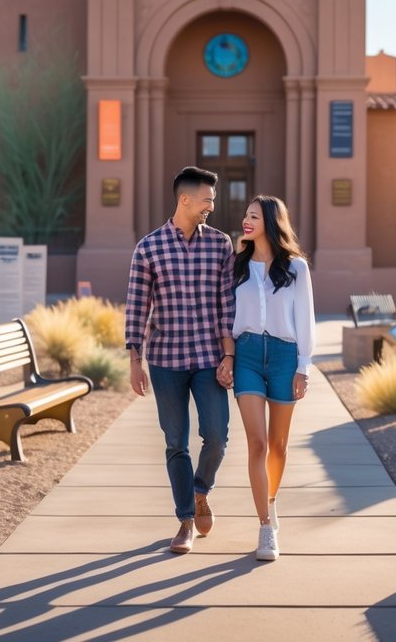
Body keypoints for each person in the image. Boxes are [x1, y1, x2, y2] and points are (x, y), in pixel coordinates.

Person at [125, 166, 235, 555]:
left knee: (218, 436)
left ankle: (200, 490)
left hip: (208, 357)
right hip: (167, 360)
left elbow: (227, 304)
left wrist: (228, 354)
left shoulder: (221, 244)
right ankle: (186, 519)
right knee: (175, 443)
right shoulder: (149, 247)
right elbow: (137, 306)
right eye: (207, 199)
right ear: (185, 199)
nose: (211, 206)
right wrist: (135, 358)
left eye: (213, 200)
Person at [229, 194, 315, 562]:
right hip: (247, 354)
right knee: (258, 444)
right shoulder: (236, 265)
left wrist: (304, 366)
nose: (246, 222)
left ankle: (272, 501)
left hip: (283, 357)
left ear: (270, 221)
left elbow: (305, 317)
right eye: (245, 216)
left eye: (253, 217)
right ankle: (266, 527)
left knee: (279, 445)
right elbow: (225, 312)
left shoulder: (296, 268)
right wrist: (228, 356)